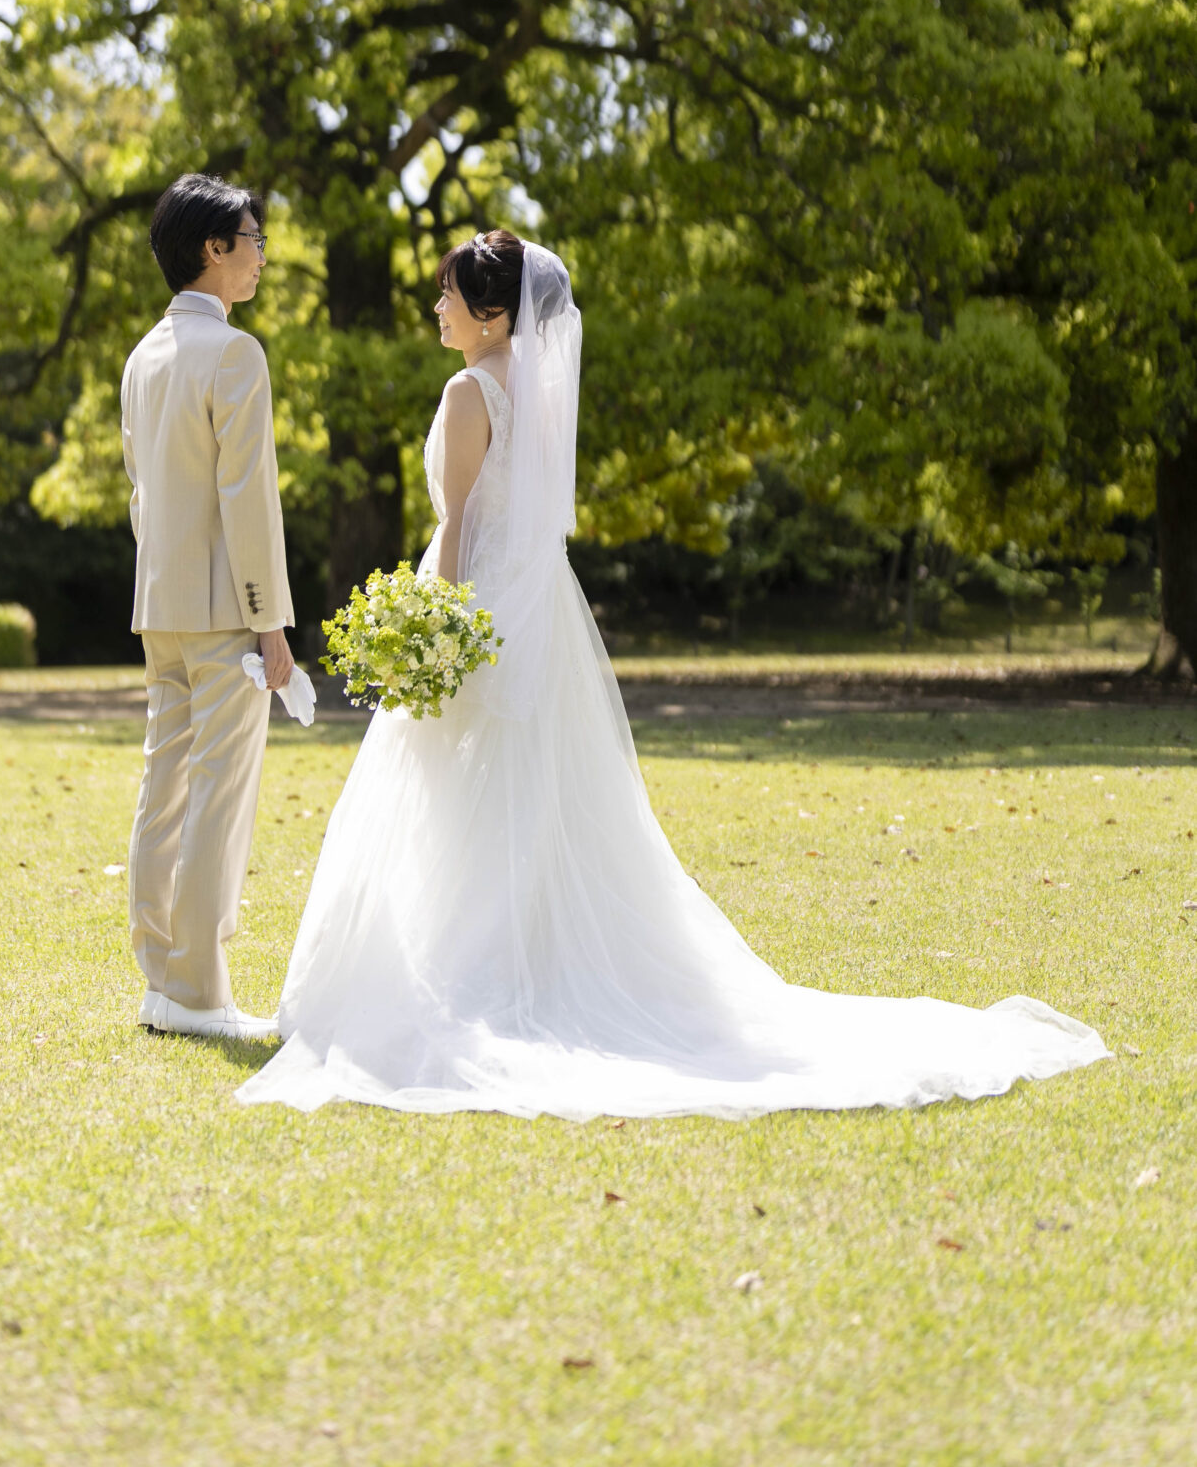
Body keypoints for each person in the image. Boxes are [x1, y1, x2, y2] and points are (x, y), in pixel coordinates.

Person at [239, 229, 1108, 1119]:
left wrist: (442, 631)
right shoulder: (530, 392)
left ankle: (466, 975)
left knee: (459, 791)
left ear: (495, 315)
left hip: (477, 605)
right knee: (522, 795)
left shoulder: (470, 392)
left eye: (450, 295)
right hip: (533, 608)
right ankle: (502, 955)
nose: (437, 307)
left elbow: (458, 523)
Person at [121, 173, 295, 1041]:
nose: (261, 254)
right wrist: (271, 622)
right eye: (252, 239)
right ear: (211, 249)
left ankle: (163, 978)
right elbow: (248, 498)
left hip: (159, 607)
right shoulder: (234, 353)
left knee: (165, 788)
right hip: (227, 610)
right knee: (217, 797)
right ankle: (198, 993)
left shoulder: (142, 355)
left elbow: (140, 498)